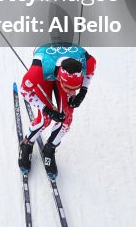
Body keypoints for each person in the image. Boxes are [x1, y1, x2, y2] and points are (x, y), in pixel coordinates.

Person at [18, 43, 97, 178]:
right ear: (60, 79)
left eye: (75, 88)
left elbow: (89, 73)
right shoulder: (36, 72)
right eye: (69, 89)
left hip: (62, 67)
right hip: (45, 70)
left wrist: (82, 92)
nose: (73, 93)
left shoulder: (87, 61)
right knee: (45, 119)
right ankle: (27, 143)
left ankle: (50, 148)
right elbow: (24, 92)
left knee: (66, 120)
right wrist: (46, 109)